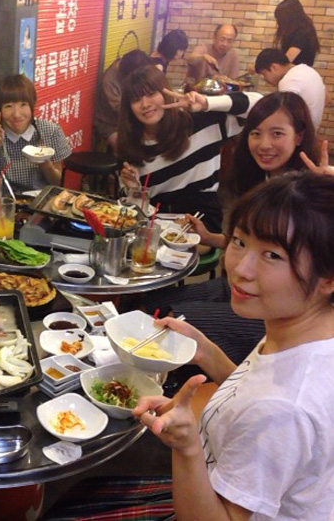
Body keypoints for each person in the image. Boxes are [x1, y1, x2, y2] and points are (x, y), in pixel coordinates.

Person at [134, 173, 334, 520]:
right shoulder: (306, 332)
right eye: (240, 241)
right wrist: (205, 352)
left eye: (272, 255)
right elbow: (254, 389)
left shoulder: (282, 408)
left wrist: (186, 447)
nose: (241, 268)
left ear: (328, 279)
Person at [138, 92, 329, 369]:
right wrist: (210, 237)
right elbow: (257, 245)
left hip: (274, 311)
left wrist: (206, 103)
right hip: (236, 287)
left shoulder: (313, 197)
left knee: (167, 322)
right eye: (255, 133)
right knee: (150, 304)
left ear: (299, 136)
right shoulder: (262, 182)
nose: (264, 144)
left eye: (277, 133)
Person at [116, 65, 261, 233]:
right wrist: (133, 189)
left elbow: (260, 105)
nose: (145, 104)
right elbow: (132, 208)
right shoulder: (130, 144)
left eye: (151, 94)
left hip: (201, 217)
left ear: (166, 93)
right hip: (155, 223)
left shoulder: (202, 121)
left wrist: (206, 103)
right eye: (136, 100)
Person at [0, 74, 72, 195]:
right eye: (8, 106)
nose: (16, 114)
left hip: (41, 201)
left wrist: (46, 165)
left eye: (23, 105)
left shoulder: (51, 131)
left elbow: (60, 184)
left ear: (32, 105)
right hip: (6, 203)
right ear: (0, 110)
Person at [93, 49, 153, 153]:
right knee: (126, 148)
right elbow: (120, 109)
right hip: (109, 124)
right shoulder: (109, 81)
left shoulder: (128, 63)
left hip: (129, 120)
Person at [255, 48, 326, 129]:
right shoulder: (309, 70)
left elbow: (283, 117)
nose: (266, 80)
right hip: (311, 130)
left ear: (274, 67)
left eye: (264, 74)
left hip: (299, 132)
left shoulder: (288, 81)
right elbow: (326, 99)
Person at [274, 0, 320, 66]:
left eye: (281, 20)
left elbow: (286, 62)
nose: (279, 23)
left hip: (298, 72)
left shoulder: (301, 34)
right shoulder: (304, 29)